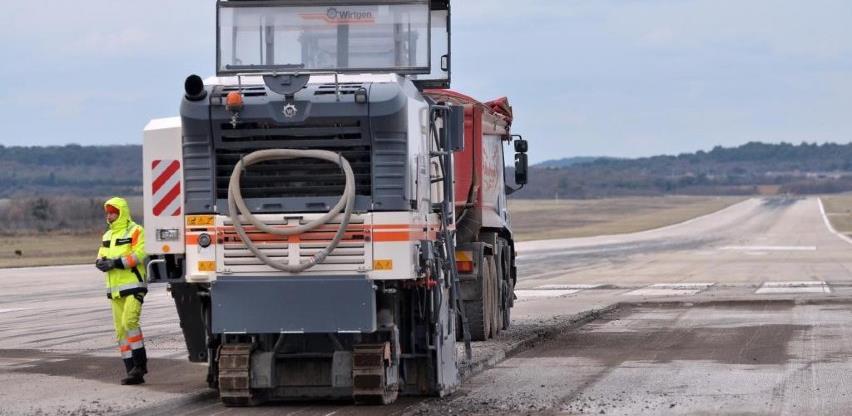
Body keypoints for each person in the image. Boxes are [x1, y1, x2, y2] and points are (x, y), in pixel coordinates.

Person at [95, 197, 148, 385]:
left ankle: (140, 364)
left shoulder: (136, 230)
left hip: (134, 285)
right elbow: (101, 255)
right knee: (120, 331)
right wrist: (100, 263)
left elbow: (140, 254)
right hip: (114, 290)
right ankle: (131, 371)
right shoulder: (107, 235)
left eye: (112, 212)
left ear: (121, 213)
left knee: (130, 321)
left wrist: (115, 263)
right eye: (108, 212)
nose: (109, 216)